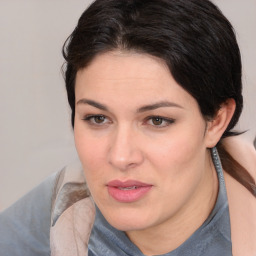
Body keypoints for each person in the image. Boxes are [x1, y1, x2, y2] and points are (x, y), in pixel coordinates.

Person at [0, 0, 255, 255]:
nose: (121, 157)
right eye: (98, 118)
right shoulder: (62, 205)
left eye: (157, 120)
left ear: (217, 121)